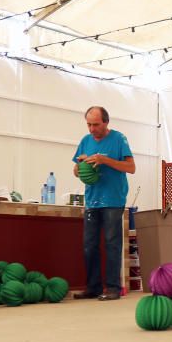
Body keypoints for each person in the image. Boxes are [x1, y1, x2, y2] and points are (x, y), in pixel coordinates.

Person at [72, 106, 136, 300]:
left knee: (112, 243)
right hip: (92, 200)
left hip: (113, 199)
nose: (91, 129)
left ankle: (114, 288)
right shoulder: (85, 141)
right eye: (89, 125)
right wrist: (82, 165)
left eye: (96, 125)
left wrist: (104, 160)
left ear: (106, 122)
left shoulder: (119, 139)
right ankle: (93, 287)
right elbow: (76, 170)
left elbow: (131, 167)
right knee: (89, 244)